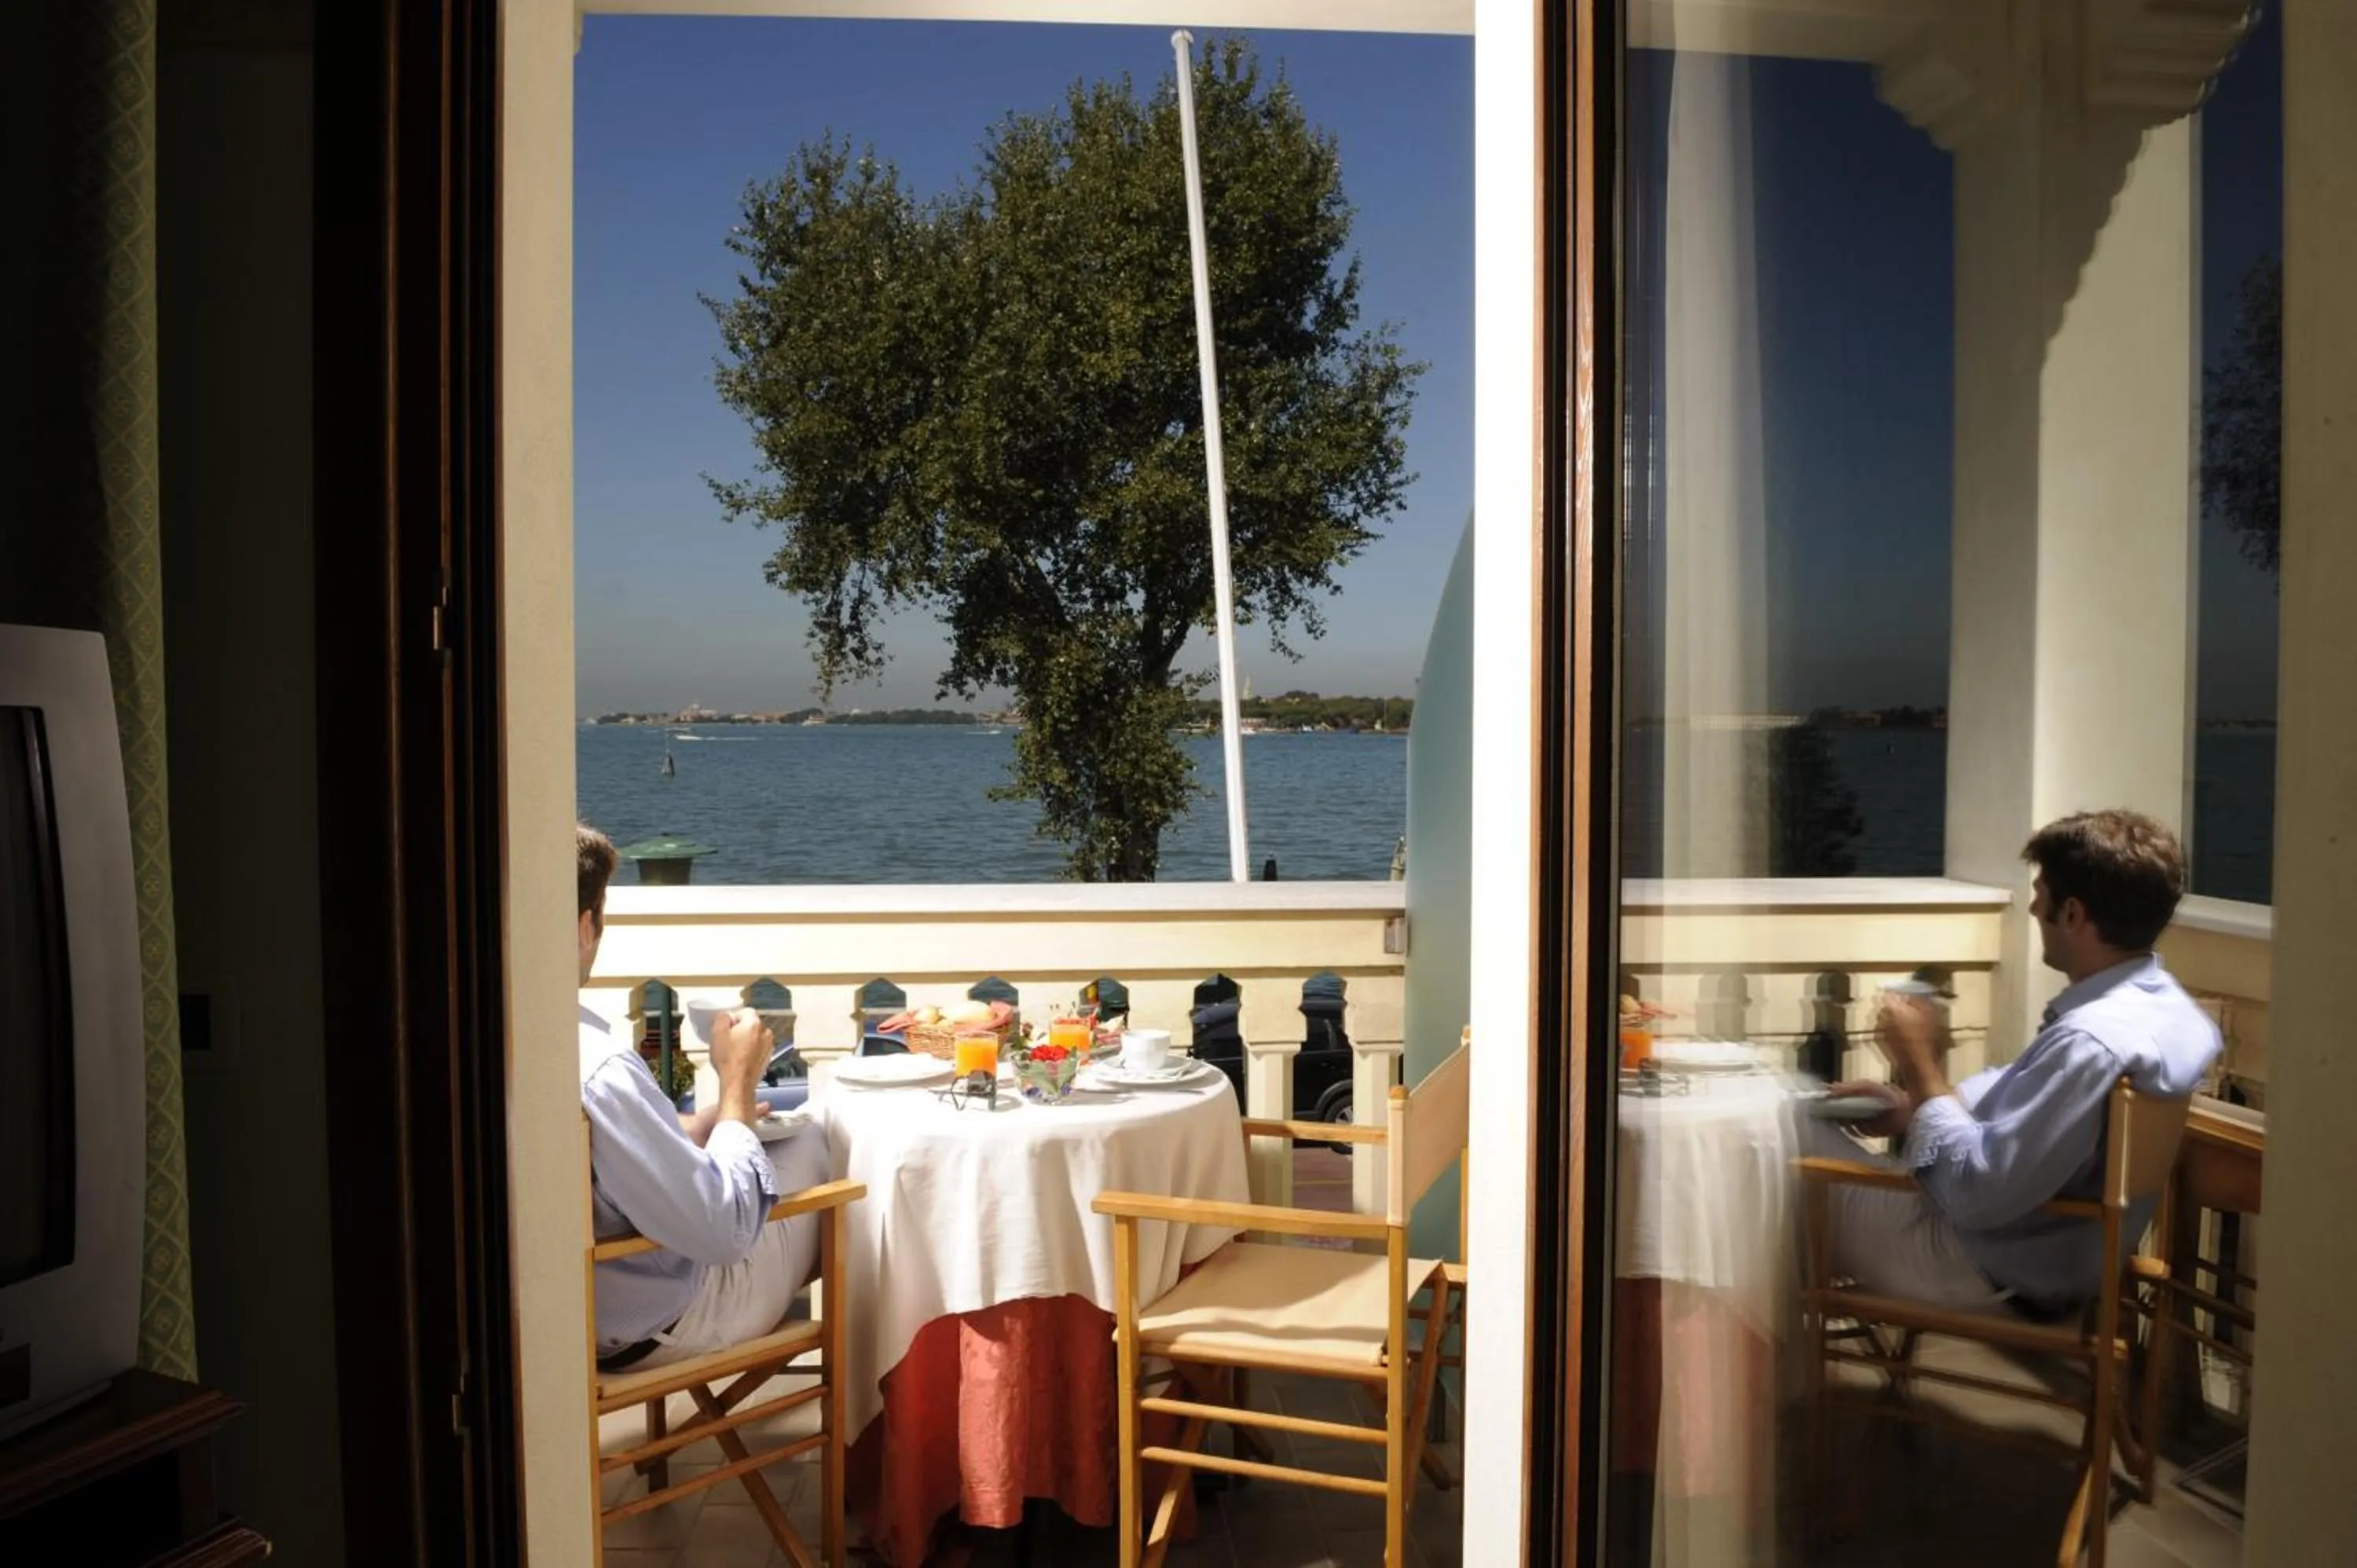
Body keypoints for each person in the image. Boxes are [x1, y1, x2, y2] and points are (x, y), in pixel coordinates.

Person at [1813, 809, 2221, 1317]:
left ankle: (1753, 1359)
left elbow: (1977, 1195)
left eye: (2041, 892)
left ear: (2071, 914)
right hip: (2060, 1263)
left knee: (1780, 1132)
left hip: (1978, 1269)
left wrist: (1919, 1061)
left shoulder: (2091, 1042)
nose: (2030, 907)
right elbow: (2022, 1112)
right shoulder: (2165, 1013)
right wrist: (1912, 1107)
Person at [577, 823, 830, 1370]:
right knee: (821, 1142)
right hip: (665, 1324)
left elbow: (608, 1172)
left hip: (566, 1318)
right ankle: (892, 1378)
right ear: (583, 926)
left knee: (772, 1145)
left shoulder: (528, 1043)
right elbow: (724, 1232)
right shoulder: (599, 1067)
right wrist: (736, 1080)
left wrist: (702, 1125)